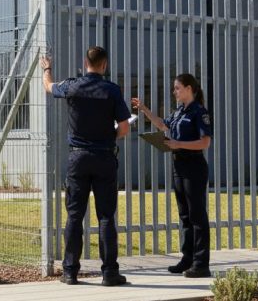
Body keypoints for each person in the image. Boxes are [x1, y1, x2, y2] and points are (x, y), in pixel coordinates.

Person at [40, 46, 130, 287]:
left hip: (78, 158)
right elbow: (124, 127)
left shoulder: (72, 86)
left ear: (84, 63)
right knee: (106, 216)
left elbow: (49, 87)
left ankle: (70, 272)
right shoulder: (112, 90)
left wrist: (46, 68)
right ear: (105, 65)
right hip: (104, 158)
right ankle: (110, 273)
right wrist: (108, 136)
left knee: (74, 215)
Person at [132, 73, 213, 278]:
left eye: (177, 88)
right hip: (179, 165)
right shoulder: (179, 111)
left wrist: (179, 144)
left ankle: (201, 264)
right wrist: (144, 110)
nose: (174, 91)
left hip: (194, 166)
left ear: (188, 88)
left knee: (197, 216)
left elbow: (205, 142)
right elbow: (163, 125)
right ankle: (188, 259)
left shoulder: (199, 112)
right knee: (185, 216)